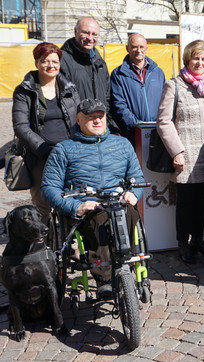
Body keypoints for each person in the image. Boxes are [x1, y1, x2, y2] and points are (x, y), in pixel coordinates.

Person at [41, 99, 145, 299]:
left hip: (117, 200)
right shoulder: (64, 149)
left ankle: (126, 268)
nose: (97, 121)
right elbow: (48, 188)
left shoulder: (122, 144)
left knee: (129, 212)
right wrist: (76, 207)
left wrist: (133, 193)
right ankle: (105, 278)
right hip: (86, 205)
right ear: (78, 120)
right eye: (90, 117)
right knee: (99, 219)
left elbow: (137, 178)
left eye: (100, 117)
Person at [156, 40, 204, 264]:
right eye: (196, 58)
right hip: (185, 155)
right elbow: (164, 122)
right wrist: (176, 151)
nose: (199, 62)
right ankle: (182, 243)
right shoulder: (174, 85)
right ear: (188, 59)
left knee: (201, 200)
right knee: (185, 203)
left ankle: (198, 239)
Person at [12, 43, 80, 220]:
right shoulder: (25, 91)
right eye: (45, 61)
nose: (51, 65)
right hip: (40, 156)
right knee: (43, 206)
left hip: (68, 154)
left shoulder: (69, 89)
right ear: (36, 63)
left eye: (54, 61)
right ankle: (43, 244)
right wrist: (44, 151)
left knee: (71, 200)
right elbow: (20, 126)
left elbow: (80, 119)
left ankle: (69, 243)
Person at [60, 16, 117, 132]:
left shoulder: (99, 62)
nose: (90, 38)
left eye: (94, 34)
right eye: (86, 33)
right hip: (76, 130)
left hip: (99, 128)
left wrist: (110, 125)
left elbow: (107, 97)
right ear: (75, 31)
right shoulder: (62, 60)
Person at [110, 33, 166, 145]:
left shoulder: (158, 73)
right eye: (134, 47)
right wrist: (137, 126)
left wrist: (161, 123)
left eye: (141, 47)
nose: (138, 50)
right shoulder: (118, 74)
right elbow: (119, 105)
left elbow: (166, 101)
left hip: (158, 132)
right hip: (132, 134)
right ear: (127, 48)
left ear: (146, 49)